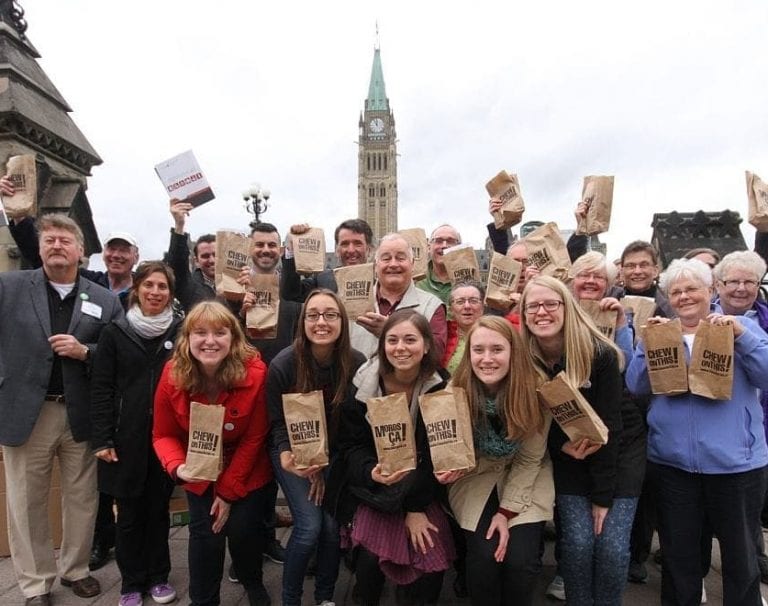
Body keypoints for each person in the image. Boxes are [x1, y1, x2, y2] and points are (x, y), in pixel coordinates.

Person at [626, 258, 768, 605]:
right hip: (674, 466)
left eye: (692, 289)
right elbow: (635, 386)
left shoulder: (738, 326)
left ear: (711, 290)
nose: (685, 296)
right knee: (679, 558)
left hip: (736, 466)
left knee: (741, 558)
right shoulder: (662, 332)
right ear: (668, 297)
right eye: (676, 291)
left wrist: (743, 339)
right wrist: (646, 347)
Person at [0, 213, 123, 605]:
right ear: (38, 248)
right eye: (49, 239)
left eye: (64, 240)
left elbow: (118, 353)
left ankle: (75, 570)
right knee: (26, 501)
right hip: (26, 413)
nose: (56, 245)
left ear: (80, 251)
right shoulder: (10, 286)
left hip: (80, 414)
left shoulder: (102, 299)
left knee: (82, 497)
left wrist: (86, 351)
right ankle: (36, 583)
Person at [152, 301, 273, 606]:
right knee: (205, 535)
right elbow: (163, 434)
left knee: (245, 530)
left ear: (233, 338)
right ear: (187, 337)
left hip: (246, 465)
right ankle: (203, 600)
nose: (210, 340)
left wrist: (229, 494)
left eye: (220, 332)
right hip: (198, 468)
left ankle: (251, 580)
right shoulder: (171, 374)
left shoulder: (256, 372)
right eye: (200, 332)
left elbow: (255, 437)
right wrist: (178, 468)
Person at [519, 275, 630, 606]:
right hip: (568, 454)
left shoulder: (600, 354)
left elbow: (611, 426)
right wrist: (558, 444)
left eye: (550, 304)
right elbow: (532, 420)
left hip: (617, 454)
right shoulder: (524, 359)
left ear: (567, 307)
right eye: (533, 305)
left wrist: (602, 496)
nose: (542, 312)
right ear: (523, 314)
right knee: (579, 544)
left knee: (609, 546)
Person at [339, 309, 455, 605]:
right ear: (382, 345)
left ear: (427, 345)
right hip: (375, 489)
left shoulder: (442, 385)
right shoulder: (362, 383)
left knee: (428, 557)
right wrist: (371, 472)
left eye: (410, 339)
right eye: (392, 340)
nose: (400, 348)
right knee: (369, 563)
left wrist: (415, 508)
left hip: (423, 487)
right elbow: (352, 446)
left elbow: (438, 452)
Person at [90, 261, 182, 606]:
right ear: (136, 289)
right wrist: (102, 438)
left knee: (158, 511)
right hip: (123, 437)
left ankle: (159, 577)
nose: (155, 292)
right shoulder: (115, 332)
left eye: (163, 287)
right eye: (149, 285)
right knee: (128, 514)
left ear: (170, 293)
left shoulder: (179, 330)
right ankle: (131, 584)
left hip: (165, 438)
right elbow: (101, 388)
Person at [267, 289, 366, 605]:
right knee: (310, 526)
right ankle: (290, 599)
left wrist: (326, 467)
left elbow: (356, 424)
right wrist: (289, 457)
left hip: (337, 454)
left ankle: (325, 597)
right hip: (291, 452)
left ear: (342, 321)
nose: (321, 322)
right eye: (313, 315)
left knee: (331, 527)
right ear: (303, 321)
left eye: (330, 315)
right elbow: (277, 423)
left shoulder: (356, 362)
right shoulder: (284, 365)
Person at [446, 316, 553, 605]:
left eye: (497, 350)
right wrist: (447, 467)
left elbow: (531, 458)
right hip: (477, 473)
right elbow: (449, 448)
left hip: (524, 471)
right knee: (483, 557)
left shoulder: (536, 389)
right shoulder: (455, 390)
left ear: (513, 353)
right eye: (478, 350)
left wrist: (505, 513)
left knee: (520, 562)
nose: (487, 359)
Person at [352, 233, 447, 360]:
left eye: (400, 258)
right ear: (375, 266)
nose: (393, 264)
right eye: (386, 258)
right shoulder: (352, 303)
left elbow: (436, 355)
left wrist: (391, 331)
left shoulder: (432, 306)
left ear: (412, 264)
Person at [281, 218, 374, 302]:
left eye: (358, 243)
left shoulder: (381, 280)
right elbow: (291, 293)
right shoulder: (323, 280)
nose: (351, 250)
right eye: (345, 244)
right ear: (337, 250)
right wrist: (292, 245)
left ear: (369, 250)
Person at [168, 199, 216, 309]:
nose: (212, 260)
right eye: (205, 256)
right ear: (196, 261)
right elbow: (177, 264)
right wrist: (179, 225)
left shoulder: (237, 282)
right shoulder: (188, 286)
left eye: (216, 254)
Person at [442, 281, 486, 373]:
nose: (467, 306)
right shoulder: (442, 334)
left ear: (483, 306)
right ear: (451, 309)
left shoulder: (495, 333)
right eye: (460, 302)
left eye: (473, 301)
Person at [416, 224, 462, 306]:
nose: (444, 246)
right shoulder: (415, 281)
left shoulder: (470, 280)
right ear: (428, 247)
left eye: (450, 241)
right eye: (438, 241)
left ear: (459, 248)